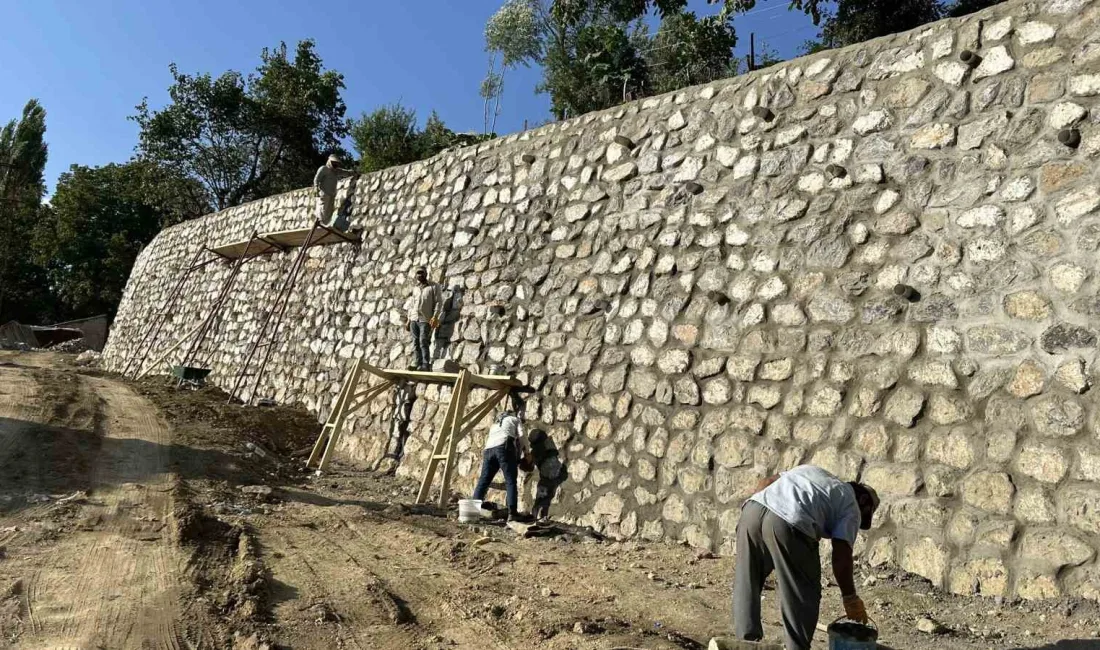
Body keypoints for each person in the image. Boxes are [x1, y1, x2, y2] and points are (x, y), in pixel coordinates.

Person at [733, 464, 880, 650]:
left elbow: (767, 482)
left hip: (753, 509)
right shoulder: (852, 504)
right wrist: (850, 597)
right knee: (803, 591)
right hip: (789, 519)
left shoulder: (814, 472)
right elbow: (841, 556)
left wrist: (752, 517)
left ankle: (745, 644)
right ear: (864, 501)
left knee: (747, 580)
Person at [472, 407, 533, 522]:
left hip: (489, 450)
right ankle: (512, 513)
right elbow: (522, 437)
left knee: (484, 481)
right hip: (504, 447)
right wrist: (527, 453)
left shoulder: (495, 425)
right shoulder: (515, 420)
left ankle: (473, 512)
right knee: (510, 481)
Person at [407, 266, 444, 371]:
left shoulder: (434, 286)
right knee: (415, 342)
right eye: (418, 273)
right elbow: (412, 305)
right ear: (416, 275)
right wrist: (408, 320)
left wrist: (435, 316)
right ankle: (416, 363)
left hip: (426, 318)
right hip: (414, 318)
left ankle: (425, 364)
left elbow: (438, 302)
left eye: (421, 272)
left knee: (423, 340)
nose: (420, 275)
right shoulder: (415, 288)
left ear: (426, 274)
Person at [313, 154, 355, 228]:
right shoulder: (323, 169)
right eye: (333, 163)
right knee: (322, 211)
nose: (335, 164)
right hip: (324, 194)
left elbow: (345, 172)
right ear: (329, 161)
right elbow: (317, 178)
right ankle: (320, 226)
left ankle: (325, 226)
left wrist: (352, 172)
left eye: (336, 163)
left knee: (329, 212)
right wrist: (316, 187)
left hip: (331, 195)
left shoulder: (336, 171)